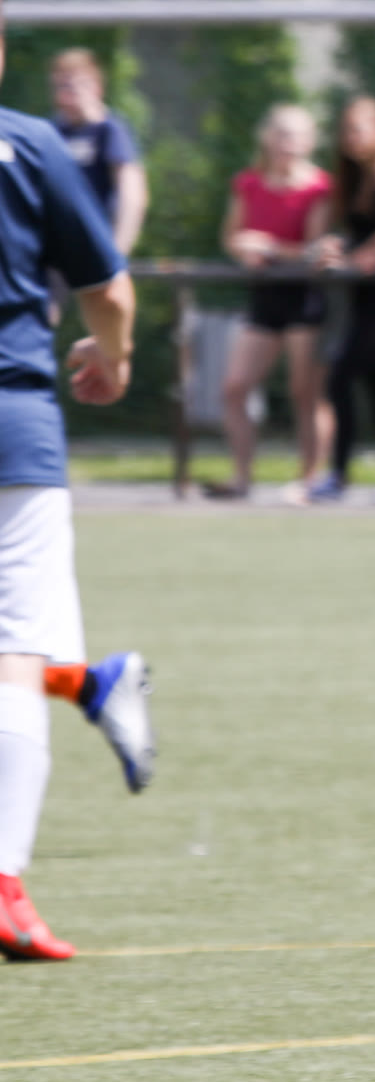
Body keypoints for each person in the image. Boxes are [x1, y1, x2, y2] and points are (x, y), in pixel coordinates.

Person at [0, 0, 144, 958]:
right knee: (12, 650)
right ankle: (3, 881)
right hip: (14, 428)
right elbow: (108, 292)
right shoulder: (30, 144)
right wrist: (113, 355)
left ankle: (97, 682)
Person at [36, 49, 157, 791]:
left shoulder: (50, 143)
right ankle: (93, 685)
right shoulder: (42, 138)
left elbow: (110, 282)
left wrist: (110, 262)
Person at [214, 104, 335, 504]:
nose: (289, 143)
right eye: (282, 134)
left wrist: (269, 247)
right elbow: (232, 237)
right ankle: (242, 477)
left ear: (310, 141)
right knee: (235, 388)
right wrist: (244, 250)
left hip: (306, 297)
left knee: (306, 392)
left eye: (297, 135)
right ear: (267, 138)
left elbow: (314, 251)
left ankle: (310, 479)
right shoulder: (248, 183)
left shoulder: (320, 187)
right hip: (264, 296)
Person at [315, 96, 375, 504]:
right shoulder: (353, 173)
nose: (351, 137)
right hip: (363, 291)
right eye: (346, 130)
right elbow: (356, 231)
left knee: (340, 378)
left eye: (359, 128)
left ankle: (339, 474)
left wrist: (357, 257)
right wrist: (336, 248)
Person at [46, 49, 147, 262]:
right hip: (55, 249)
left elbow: (132, 195)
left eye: (71, 87)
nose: (64, 97)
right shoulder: (51, 131)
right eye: (59, 87)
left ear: (95, 88)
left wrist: (116, 255)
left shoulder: (110, 131)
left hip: (97, 246)